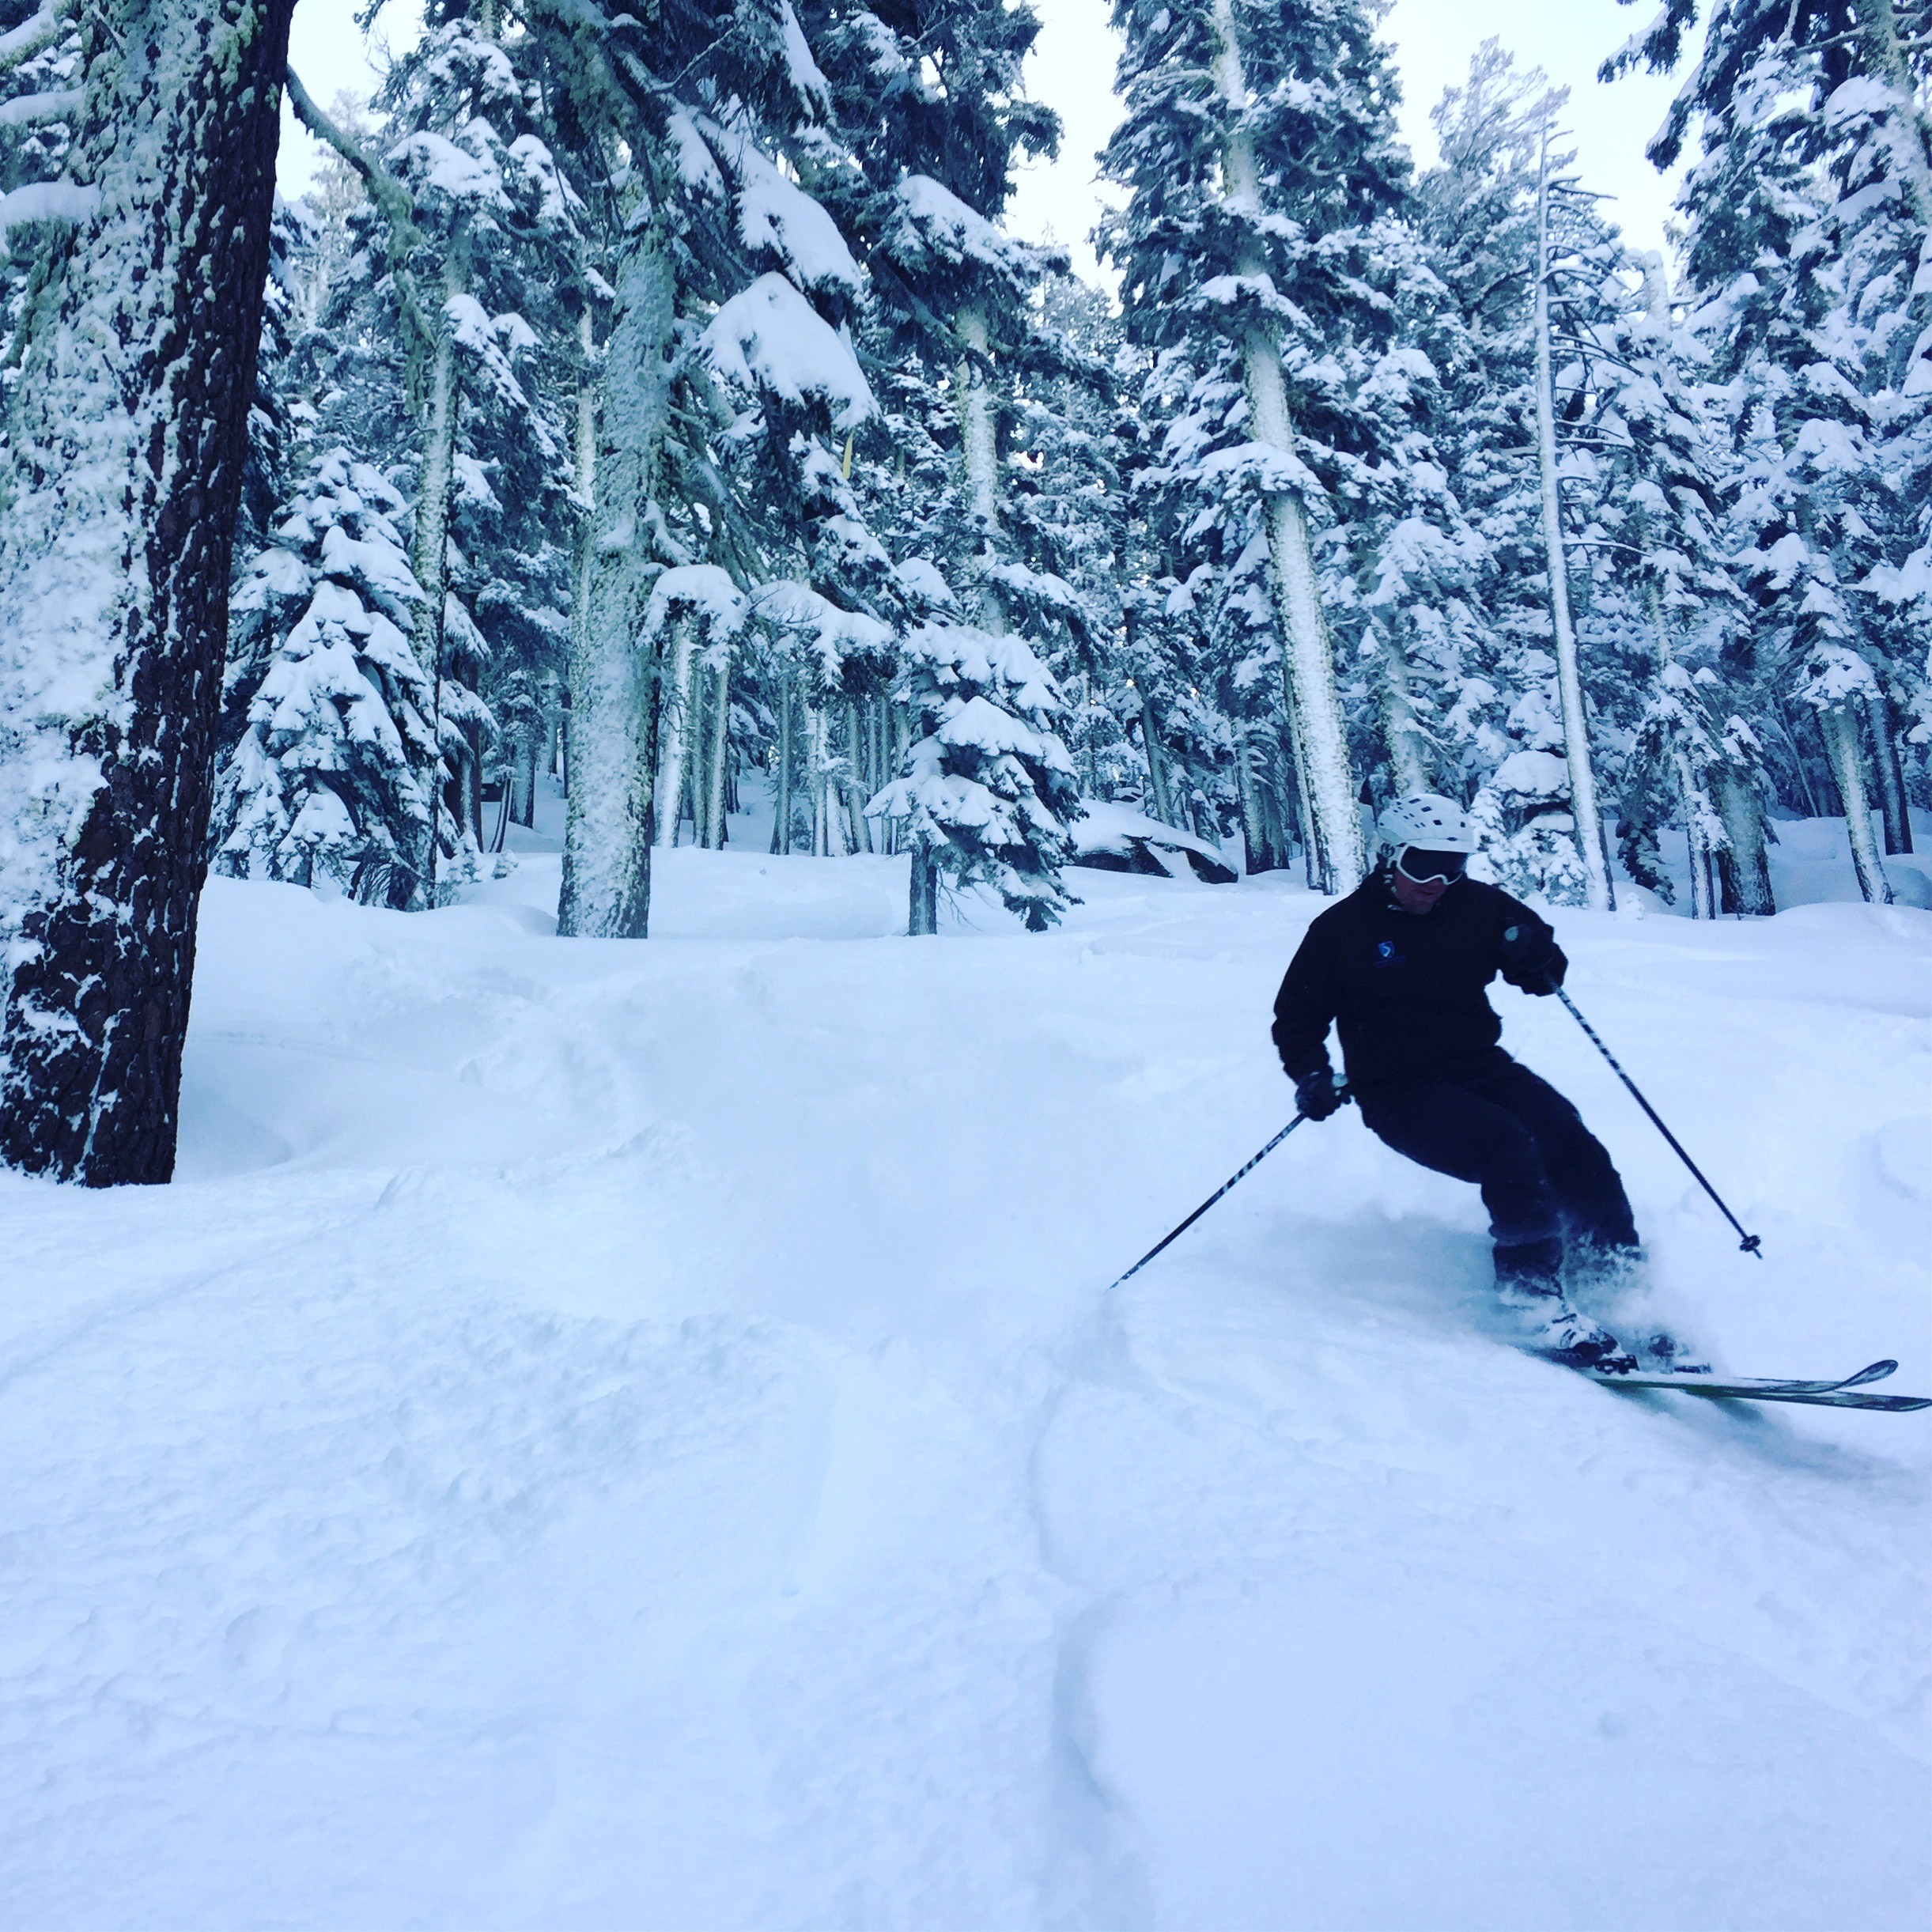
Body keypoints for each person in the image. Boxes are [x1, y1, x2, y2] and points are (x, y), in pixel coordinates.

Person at [1272, 793, 1643, 1371]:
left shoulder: (1476, 906)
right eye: (1423, 864)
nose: (1438, 881)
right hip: (1397, 1091)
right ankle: (1532, 1300)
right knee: (1506, 1145)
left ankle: (1613, 1277)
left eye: (1454, 864)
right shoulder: (1340, 931)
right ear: (1389, 856)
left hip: (1479, 1066)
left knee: (1568, 1137)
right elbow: (1296, 1017)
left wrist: (1535, 955)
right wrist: (1311, 1074)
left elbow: (1543, 971)